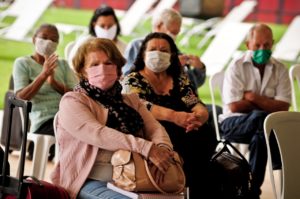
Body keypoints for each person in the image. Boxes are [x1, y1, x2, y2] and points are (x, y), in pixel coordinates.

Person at [50, 38, 175, 199]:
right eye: (94, 65)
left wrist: (162, 150)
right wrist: (146, 148)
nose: (102, 68)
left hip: (137, 177)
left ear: (118, 68)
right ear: (82, 70)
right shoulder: (73, 101)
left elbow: (155, 128)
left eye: (109, 63)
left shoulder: (131, 100)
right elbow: (98, 133)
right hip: (89, 179)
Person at [122, 32, 217, 198]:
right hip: (155, 133)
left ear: (172, 55)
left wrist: (198, 117)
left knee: (206, 132)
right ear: (143, 53)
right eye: (153, 49)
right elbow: (141, 106)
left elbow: (194, 103)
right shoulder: (133, 79)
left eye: (164, 50)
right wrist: (174, 116)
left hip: (187, 129)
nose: (158, 54)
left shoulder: (179, 79)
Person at [219, 23, 291, 198]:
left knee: (260, 136)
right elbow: (234, 106)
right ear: (248, 45)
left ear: (272, 43)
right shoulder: (236, 67)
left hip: (263, 129)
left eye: (267, 45)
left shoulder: (280, 69)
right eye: (257, 45)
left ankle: (251, 192)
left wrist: (253, 98)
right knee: (263, 119)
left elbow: (284, 106)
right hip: (232, 123)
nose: (262, 49)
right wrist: (268, 104)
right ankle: (279, 159)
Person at [13, 23, 77, 160]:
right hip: (44, 121)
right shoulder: (23, 63)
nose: (49, 42)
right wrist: (43, 75)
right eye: (44, 37)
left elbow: (75, 95)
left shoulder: (63, 65)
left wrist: (54, 83)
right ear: (34, 39)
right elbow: (20, 97)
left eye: (54, 39)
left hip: (66, 116)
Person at [122, 8, 206, 90]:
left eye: (177, 33)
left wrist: (199, 68)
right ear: (158, 25)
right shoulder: (137, 46)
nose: (174, 36)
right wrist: (172, 66)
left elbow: (192, 85)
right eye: (172, 32)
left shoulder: (175, 52)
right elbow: (128, 78)